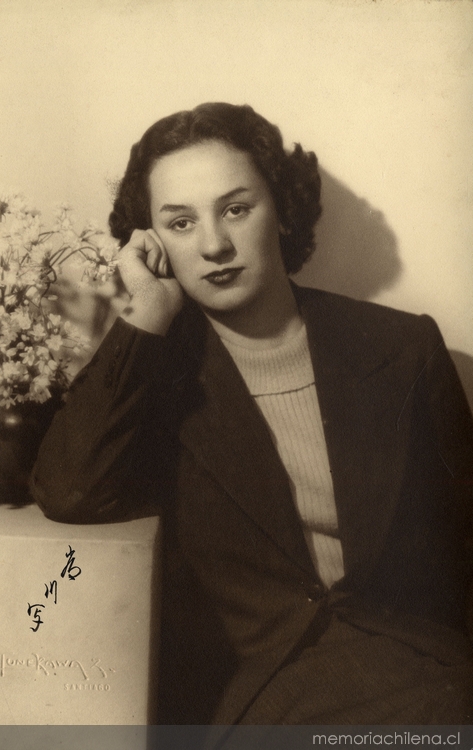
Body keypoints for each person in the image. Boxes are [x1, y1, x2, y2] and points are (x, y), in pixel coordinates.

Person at [31, 103, 473, 731]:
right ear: (150, 244)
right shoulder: (157, 368)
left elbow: (464, 545)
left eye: (236, 209)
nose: (213, 245)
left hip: (422, 678)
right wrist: (146, 313)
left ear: (282, 210)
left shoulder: (401, 349)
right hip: (261, 694)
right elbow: (69, 491)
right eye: (180, 224)